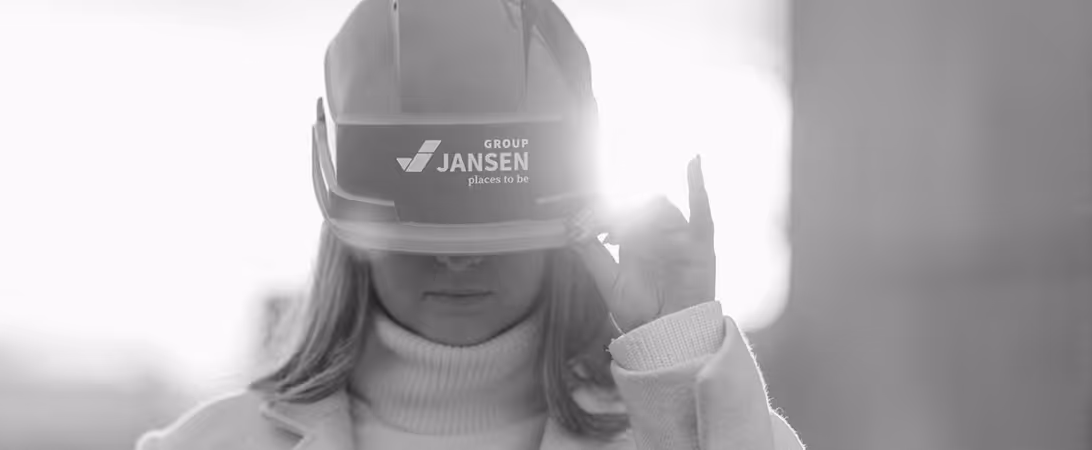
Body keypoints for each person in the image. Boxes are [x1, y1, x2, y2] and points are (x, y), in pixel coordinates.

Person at [136, 0, 803, 448]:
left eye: (489, 224)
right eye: (426, 221)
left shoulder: (674, 435)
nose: (458, 258)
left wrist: (679, 361)